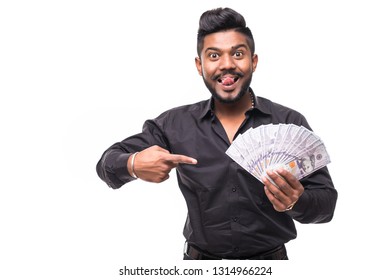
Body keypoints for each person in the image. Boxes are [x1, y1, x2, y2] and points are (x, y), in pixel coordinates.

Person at [96, 7, 338, 260]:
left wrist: (295, 202)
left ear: (253, 61)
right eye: (214, 55)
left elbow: (326, 205)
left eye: (238, 53)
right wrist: (133, 164)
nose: (227, 65)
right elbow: (106, 165)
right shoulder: (173, 124)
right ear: (200, 66)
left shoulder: (288, 122)